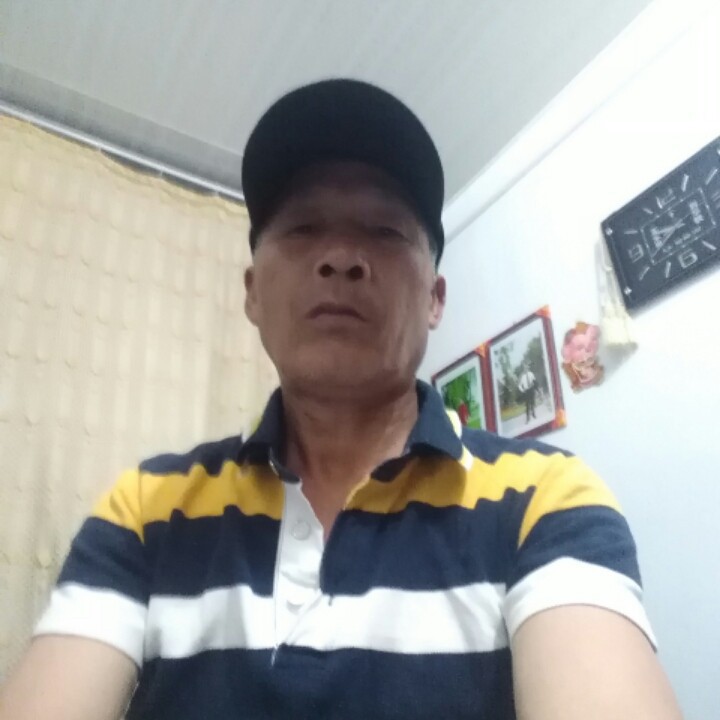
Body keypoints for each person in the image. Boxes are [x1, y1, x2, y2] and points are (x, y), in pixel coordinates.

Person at [0, 79, 683, 720]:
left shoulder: (546, 498)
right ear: (252, 293)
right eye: (302, 228)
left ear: (436, 298)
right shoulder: (147, 509)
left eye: (385, 232)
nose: (341, 257)